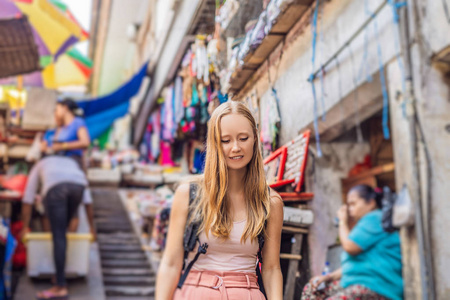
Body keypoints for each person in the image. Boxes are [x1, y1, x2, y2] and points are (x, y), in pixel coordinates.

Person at [156, 101, 284, 300]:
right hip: (195, 291)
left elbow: (271, 268)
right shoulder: (189, 194)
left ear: (255, 140)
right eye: (225, 140)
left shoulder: (270, 202)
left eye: (243, 138)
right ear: (214, 143)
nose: (235, 147)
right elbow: (171, 263)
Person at [302, 185, 403, 300]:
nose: (349, 209)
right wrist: (329, 277)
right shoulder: (365, 223)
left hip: (378, 286)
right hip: (358, 283)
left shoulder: (375, 218)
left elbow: (350, 247)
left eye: (353, 204)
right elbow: (355, 265)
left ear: (371, 203)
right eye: (348, 205)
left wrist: (342, 222)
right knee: (312, 289)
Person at [19, 156, 94, 300]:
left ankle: (60, 286)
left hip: (55, 189)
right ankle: (60, 274)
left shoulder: (40, 164)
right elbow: (88, 201)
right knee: (63, 232)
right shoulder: (71, 163)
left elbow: (28, 198)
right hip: (78, 187)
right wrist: (92, 228)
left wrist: (24, 226)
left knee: (58, 235)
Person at [42, 98, 90, 169]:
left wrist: (63, 146)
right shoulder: (60, 127)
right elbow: (53, 145)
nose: (55, 113)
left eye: (56, 110)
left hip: (73, 162)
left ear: (65, 108)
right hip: (58, 161)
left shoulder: (77, 122)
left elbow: (85, 142)